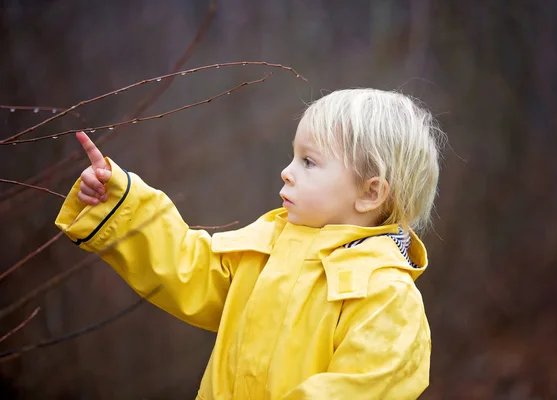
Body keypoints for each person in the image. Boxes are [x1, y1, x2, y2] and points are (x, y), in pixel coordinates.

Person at [55, 88, 443, 400]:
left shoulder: (387, 297)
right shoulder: (268, 248)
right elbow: (190, 270)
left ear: (371, 193)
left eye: (309, 162)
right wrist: (120, 202)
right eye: (293, 156)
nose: (286, 172)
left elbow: (357, 389)